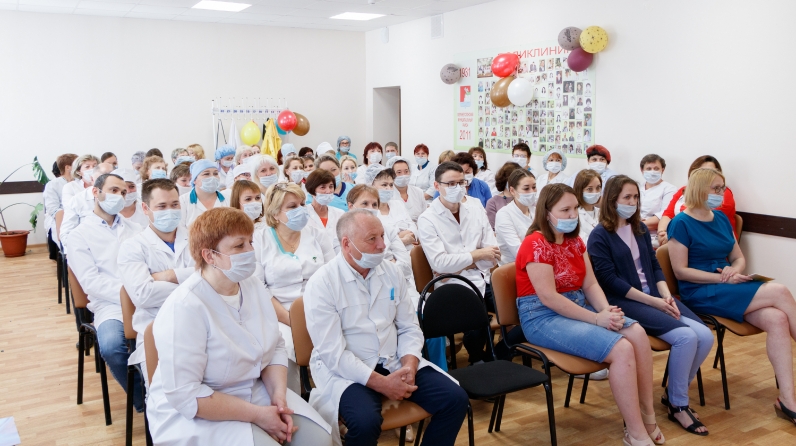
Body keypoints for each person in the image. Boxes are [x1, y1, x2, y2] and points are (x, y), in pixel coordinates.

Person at [147, 207, 333, 446]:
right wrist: (258, 415)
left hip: (254, 387)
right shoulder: (184, 307)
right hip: (202, 407)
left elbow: (275, 346)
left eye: (250, 242)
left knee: (319, 440)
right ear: (209, 256)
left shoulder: (252, 285)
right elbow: (185, 394)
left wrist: (278, 397)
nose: (250, 251)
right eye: (239, 246)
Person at [515, 183, 664, 446]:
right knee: (621, 349)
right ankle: (635, 432)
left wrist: (605, 311)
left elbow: (591, 284)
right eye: (565, 210)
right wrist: (597, 318)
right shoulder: (534, 243)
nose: (573, 215)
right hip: (542, 316)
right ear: (546, 212)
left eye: (575, 208)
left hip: (576, 305)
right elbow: (549, 297)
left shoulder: (575, 242)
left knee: (638, 333)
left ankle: (647, 416)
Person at [304, 210, 469, 446]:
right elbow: (333, 354)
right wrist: (383, 384)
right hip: (347, 371)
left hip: (394, 360)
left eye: (382, 236)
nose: (382, 245)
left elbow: (409, 327)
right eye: (372, 239)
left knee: (454, 399)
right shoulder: (322, 283)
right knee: (365, 422)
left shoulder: (391, 272)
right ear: (347, 244)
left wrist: (409, 365)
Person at [667, 168, 796, 427]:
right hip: (700, 291)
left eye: (722, 188)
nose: (721, 193)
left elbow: (738, 258)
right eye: (715, 188)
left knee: (778, 319)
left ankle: (787, 400)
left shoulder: (721, 219)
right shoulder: (680, 222)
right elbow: (680, 271)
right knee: (780, 291)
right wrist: (721, 278)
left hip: (727, 285)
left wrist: (733, 271)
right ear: (699, 189)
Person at [588, 175, 713, 436]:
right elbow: (610, 281)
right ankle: (679, 405)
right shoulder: (600, 235)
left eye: (635, 197)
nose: (632, 202)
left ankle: (674, 392)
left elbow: (654, 266)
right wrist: (654, 301)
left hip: (655, 296)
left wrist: (666, 296)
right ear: (612, 200)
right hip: (626, 301)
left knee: (704, 335)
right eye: (627, 197)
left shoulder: (641, 230)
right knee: (686, 337)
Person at [67, 172, 144, 413]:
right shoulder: (79, 235)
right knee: (112, 347)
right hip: (109, 305)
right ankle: (144, 401)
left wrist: (142, 291)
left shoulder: (137, 228)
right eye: (113, 190)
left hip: (145, 297)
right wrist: (129, 294)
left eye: (123, 192)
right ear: (95, 192)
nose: (120, 196)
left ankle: (166, 393)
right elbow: (91, 282)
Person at [253, 183, 335, 394]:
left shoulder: (317, 235)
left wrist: (319, 315)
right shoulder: (260, 239)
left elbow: (332, 276)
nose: (300, 210)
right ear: (275, 213)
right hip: (279, 313)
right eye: (292, 206)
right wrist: (293, 320)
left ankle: (335, 395)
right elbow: (259, 288)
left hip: (321, 308)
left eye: (302, 204)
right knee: (283, 346)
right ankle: (292, 398)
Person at [417, 162, 500, 363]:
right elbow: (440, 264)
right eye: (451, 183)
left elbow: (493, 253)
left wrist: (462, 263)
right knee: (475, 311)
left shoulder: (475, 207)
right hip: (451, 285)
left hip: (481, 278)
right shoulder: (427, 219)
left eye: (461, 182)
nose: (458, 187)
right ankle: (477, 360)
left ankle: (497, 354)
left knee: (515, 306)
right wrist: (478, 255)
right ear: (437, 186)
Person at [117, 178, 194, 385]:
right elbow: (143, 295)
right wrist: (195, 280)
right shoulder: (132, 247)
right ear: (145, 208)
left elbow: (216, 279)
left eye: (175, 204)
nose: (170, 211)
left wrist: (170, 275)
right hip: (157, 329)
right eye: (161, 206)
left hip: (201, 323)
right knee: (167, 390)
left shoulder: (197, 238)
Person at [658, 155, 737, 245]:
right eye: (702, 171)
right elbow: (668, 214)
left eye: (711, 171)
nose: (707, 175)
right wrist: (662, 232)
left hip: (712, 240)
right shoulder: (683, 190)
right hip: (679, 237)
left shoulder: (722, 193)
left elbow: (701, 220)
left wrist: (673, 234)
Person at [59, 162, 116, 250]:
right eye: (104, 176)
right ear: (92, 179)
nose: (109, 181)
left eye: (112, 176)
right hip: (86, 250)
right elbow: (66, 234)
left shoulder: (122, 198)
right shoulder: (77, 200)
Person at [495, 169, 536, 264]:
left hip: (538, 262)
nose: (532, 192)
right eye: (526, 188)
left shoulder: (536, 211)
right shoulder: (504, 214)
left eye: (534, 187)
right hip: (513, 266)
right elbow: (519, 252)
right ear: (512, 191)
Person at [370, 167, 419, 248]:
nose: (389, 188)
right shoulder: (370, 213)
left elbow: (413, 227)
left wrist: (394, 238)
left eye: (391, 185)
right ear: (372, 186)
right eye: (384, 185)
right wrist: (403, 240)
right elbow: (378, 243)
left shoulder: (398, 204)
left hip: (410, 251)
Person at [638, 154, 677, 247]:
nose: (652, 172)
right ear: (642, 170)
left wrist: (636, 225)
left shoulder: (669, 189)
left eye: (656, 169)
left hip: (654, 238)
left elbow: (664, 216)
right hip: (633, 233)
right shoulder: (637, 187)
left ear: (662, 170)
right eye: (648, 169)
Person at [43, 153, 77, 255]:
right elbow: (53, 208)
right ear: (68, 167)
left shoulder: (79, 182)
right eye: (77, 164)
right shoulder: (53, 184)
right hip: (60, 218)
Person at [305, 169, 344, 253]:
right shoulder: (304, 214)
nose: (328, 191)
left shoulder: (340, 214)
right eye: (323, 187)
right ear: (312, 190)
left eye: (331, 186)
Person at [179, 159, 228, 226]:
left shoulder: (227, 198)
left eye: (215, 173)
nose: (212, 177)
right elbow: (181, 228)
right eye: (206, 174)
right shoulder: (183, 201)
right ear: (194, 180)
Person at [387, 156, 427, 222]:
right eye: (399, 172)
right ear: (391, 174)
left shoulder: (418, 192)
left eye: (406, 171)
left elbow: (425, 215)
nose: (403, 175)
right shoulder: (387, 195)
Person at [485, 162, 522, 230]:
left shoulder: (524, 199)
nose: (516, 182)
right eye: (512, 179)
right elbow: (492, 229)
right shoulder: (493, 202)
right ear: (504, 180)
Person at [573, 169, 603, 244]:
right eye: (589, 189)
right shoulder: (574, 215)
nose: (595, 192)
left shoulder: (602, 213)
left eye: (598, 187)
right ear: (579, 190)